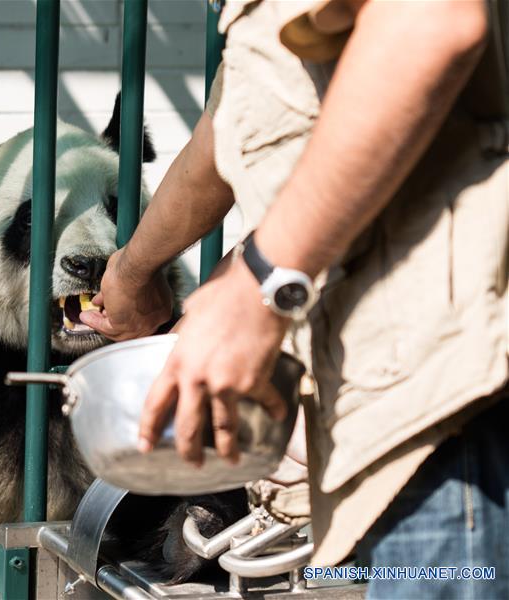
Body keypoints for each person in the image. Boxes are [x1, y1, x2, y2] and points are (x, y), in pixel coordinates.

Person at [79, 0, 508, 597]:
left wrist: (261, 280)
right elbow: (233, 126)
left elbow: (429, 22)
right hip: (376, 390)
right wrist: (133, 271)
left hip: (439, 391)